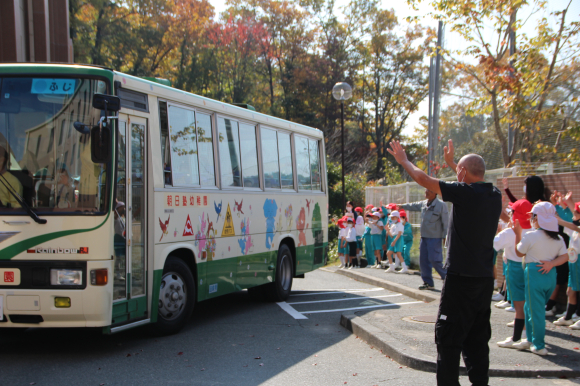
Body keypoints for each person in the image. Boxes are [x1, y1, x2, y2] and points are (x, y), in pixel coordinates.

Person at [388, 139, 502, 386]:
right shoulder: (493, 194)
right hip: (484, 280)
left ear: (462, 173)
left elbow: (424, 180)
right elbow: (470, 182)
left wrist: (404, 160)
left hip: (461, 279)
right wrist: (453, 163)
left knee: (448, 340)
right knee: (477, 339)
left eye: (458, 170)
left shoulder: (464, 194)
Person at [512, 201, 569, 355]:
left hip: (534, 274)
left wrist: (517, 234)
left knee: (535, 311)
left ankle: (538, 345)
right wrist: (551, 264)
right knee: (530, 308)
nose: (531, 219)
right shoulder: (558, 238)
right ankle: (530, 339)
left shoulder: (531, 236)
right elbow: (565, 256)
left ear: (537, 218)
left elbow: (518, 253)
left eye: (533, 216)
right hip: (550, 275)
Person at [495, 199, 533, 349]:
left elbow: (493, 244)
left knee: (519, 306)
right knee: (531, 303)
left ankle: (518, 337)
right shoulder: (536, 231)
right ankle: (529, 335)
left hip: (515, 268)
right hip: (533, 268)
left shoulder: (510, 232)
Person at [398, 188, 448, 290]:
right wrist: (402, 206)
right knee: (423, 261)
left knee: (435, 260)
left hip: (435, 238)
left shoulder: (441, 205)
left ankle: (448, 279)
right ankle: (428, 283)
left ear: (434, 193)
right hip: (424, 237)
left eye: (428, 190)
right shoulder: (424, 204)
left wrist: (445, 237)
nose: (425, 192)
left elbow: (446, 223)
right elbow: (413, 205)